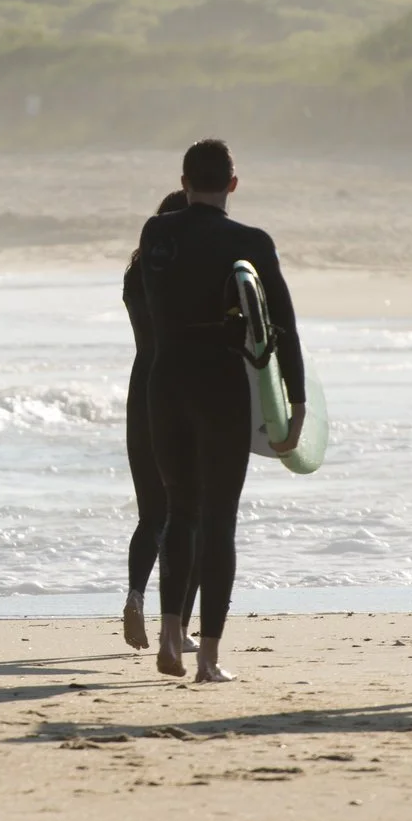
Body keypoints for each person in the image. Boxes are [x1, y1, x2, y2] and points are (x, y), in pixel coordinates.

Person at [137, 139, 304, 682]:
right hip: (221, 388)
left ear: (183, 183)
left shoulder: (156, 234)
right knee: (219, 520)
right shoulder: (250, 242)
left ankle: (169, 636)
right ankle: (207, 658)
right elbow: (282, 325)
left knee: (179, 511)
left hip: (165, 386)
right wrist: (296, 403)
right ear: (233, 183)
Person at [121, 189, 196, 653]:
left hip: (141, 393)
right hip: (182, 395)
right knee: (191, 515)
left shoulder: (135, 276)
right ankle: (180, 627)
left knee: (151, 513)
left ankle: (135, 594)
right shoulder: (188, 278)